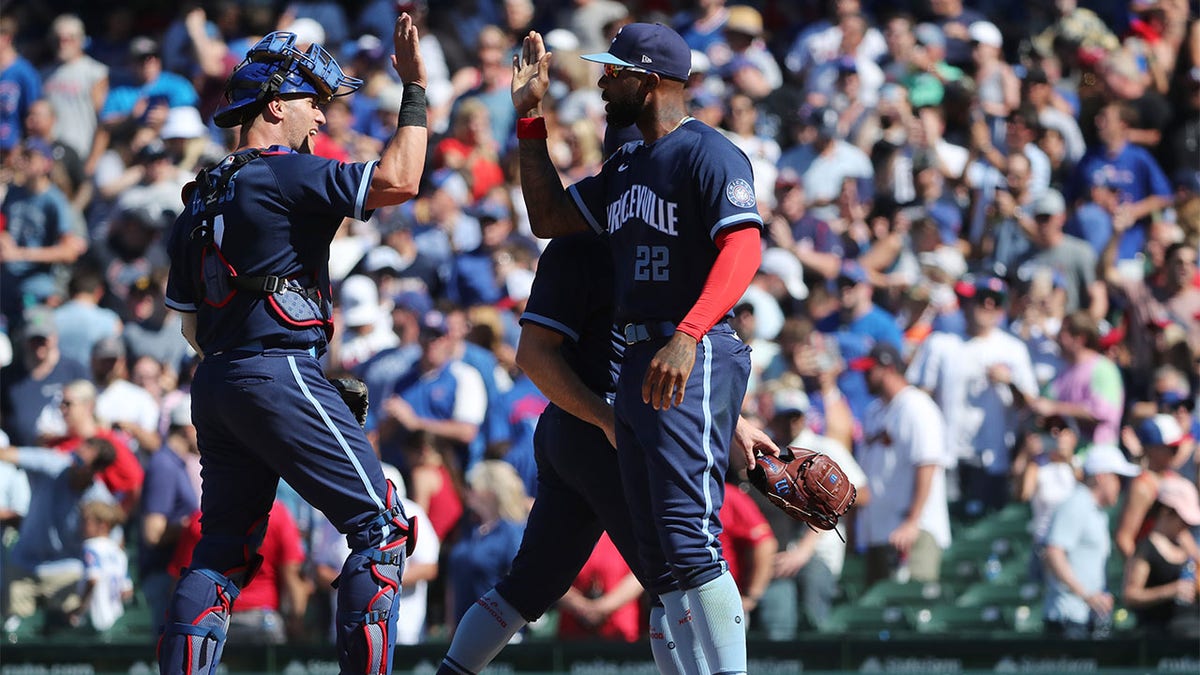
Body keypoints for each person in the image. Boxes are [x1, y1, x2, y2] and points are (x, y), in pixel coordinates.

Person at [158, 14, 427, 675]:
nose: (322, 119)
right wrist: (415, 88)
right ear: (276, 104)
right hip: (275, 368)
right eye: (313, 103)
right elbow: (399, 179)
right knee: (382, 528)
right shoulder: (285, 172)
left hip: (217, 385)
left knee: (220, 551)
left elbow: (190, 326)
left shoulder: (199, 196)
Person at [509, 24, 763, 671]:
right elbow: (549, 218)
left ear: (649, 82)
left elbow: (744, 247)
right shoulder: (625, 166)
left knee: (689, 537)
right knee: (660, 558)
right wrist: (530, 121)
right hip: (643, 362)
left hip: (690, 348)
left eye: (615, 71)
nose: (602, 80)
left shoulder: (708, 153)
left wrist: (689, 331)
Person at [437, 230, 777, 675]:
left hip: (573, 431)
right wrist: (607, 421)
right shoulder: (602, 242)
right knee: (673, 581)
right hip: (606, 424)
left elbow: (674, 360)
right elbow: (534, 357)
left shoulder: (607, 238)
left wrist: (735, 423)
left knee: (527, 588)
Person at [854, 343, 952, 585]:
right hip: (879, 531)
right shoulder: (875, 411)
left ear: (888, 369)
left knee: (911, 601)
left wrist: (912, 522)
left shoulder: (916, 406)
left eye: (869, 370)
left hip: (913, 532)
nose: (864, 376)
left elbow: (928, 465)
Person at [1043, 444, 1141, 639]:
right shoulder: (1076, 503)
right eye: (1117, 478)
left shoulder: (1097, 512)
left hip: (1087, 619)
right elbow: (1053, 553)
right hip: (1069, 620)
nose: (1120, 486)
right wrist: (1086, 595)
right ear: (1101, 477)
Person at [1121, 475, 1200, 639]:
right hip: (1160, 639)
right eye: (1182, 520)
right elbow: (1130, 595)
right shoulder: (1146, 549)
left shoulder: (1184, 545)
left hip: (1192, 632)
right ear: (1165, 512)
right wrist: (1170, 590)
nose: (1186, 526)